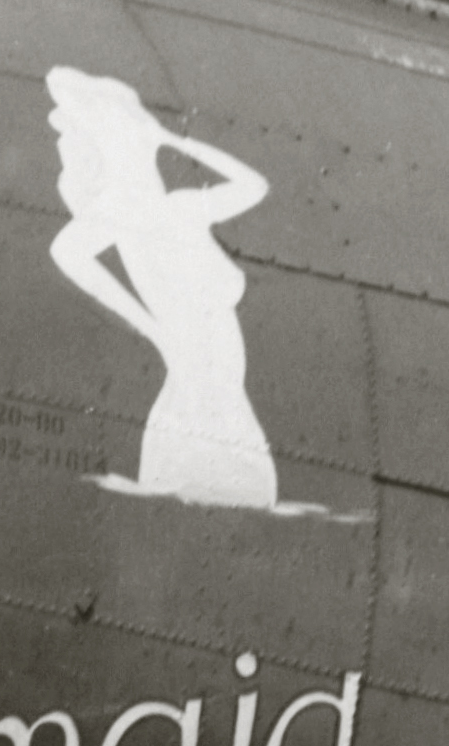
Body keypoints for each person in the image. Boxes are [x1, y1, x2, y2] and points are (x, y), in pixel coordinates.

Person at [40, 66, 282, 511]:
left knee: (211, 428)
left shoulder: (177, 206)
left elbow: (255, 186)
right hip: (196, 338)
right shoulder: (126, 211)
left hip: (212, 335)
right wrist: (150, 326)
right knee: (214, 432)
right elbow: (66, 253)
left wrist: (179, 141)